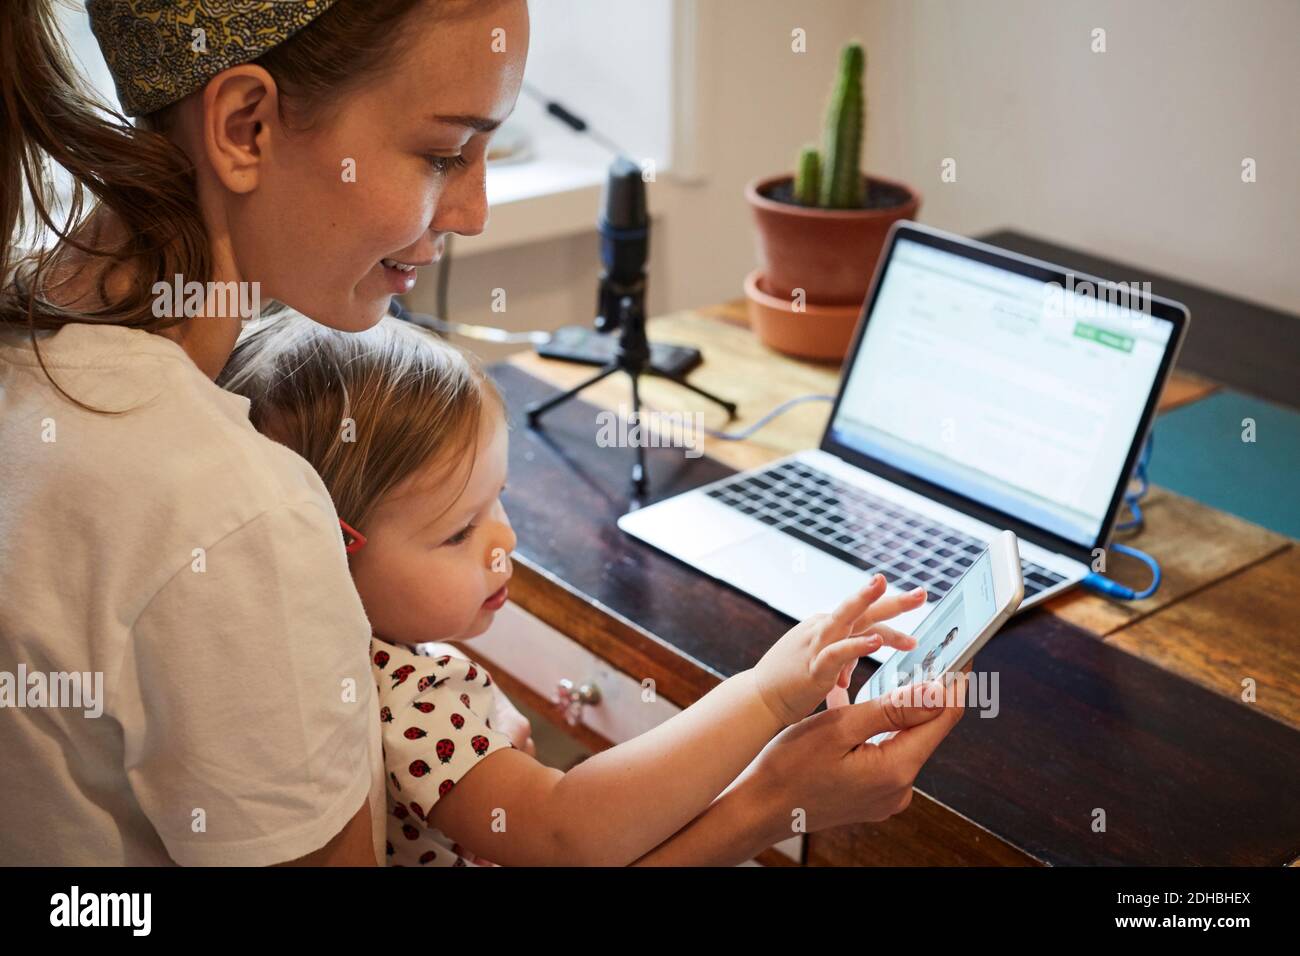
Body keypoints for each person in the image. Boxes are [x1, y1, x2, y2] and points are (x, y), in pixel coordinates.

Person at [0, 0, 966, 867]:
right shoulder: (231, 513)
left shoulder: (37, 351)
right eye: (441, 153)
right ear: (244, 126)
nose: (471, 211)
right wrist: (775, 802)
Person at [218, 315, 945, 866]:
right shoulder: (408, 692)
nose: (503, 541)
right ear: (324, 552)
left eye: (497, 500)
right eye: (456, 532)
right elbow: (571, 827)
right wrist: (765, 697)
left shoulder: (331, 651)